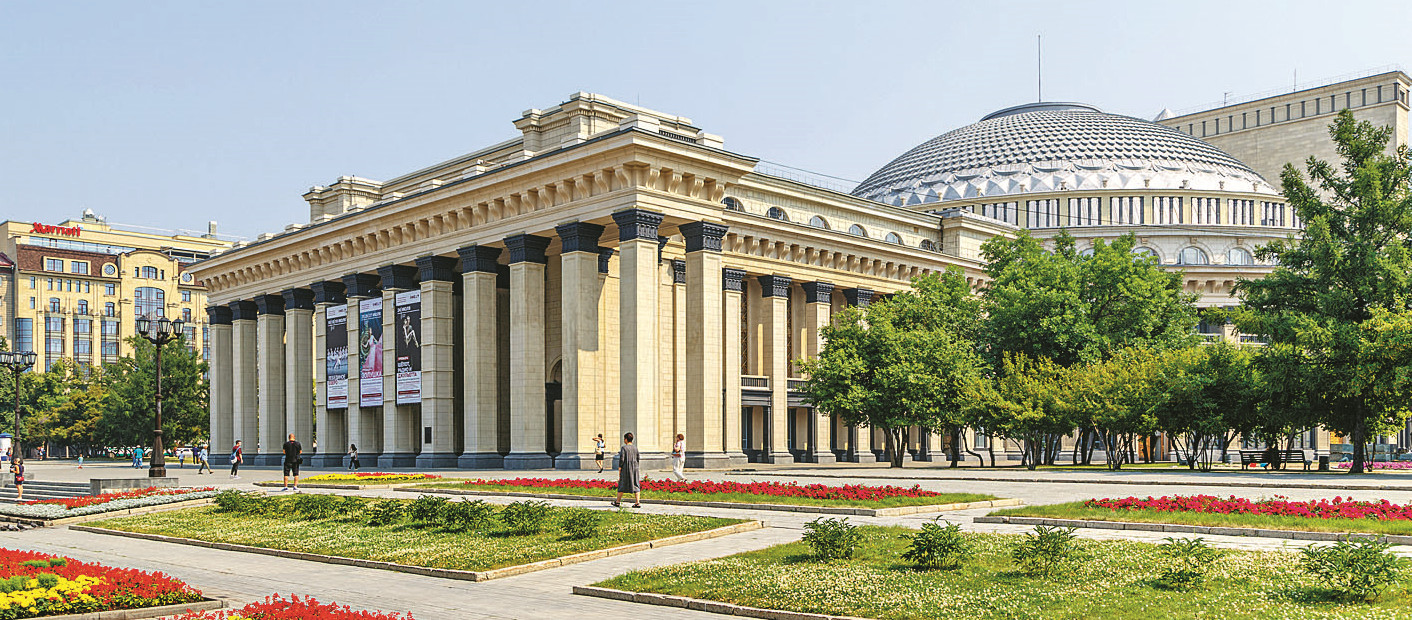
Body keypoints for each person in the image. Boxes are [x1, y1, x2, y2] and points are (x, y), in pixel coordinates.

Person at [612, 432, 641, 508]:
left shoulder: (624, 448)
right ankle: (637, 502)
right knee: (636, 483)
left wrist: (620, 468)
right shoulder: (635, 448)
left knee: (622, 484)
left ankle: (617, 502)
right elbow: (638, 458)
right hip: (635, 468)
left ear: (626, 439)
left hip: (626, 468)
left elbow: (622, 459)